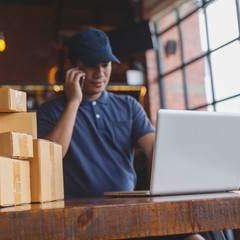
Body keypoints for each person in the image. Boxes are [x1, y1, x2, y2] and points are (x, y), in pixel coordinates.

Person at [36, 28, 204, 240]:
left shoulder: (129, 106)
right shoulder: (50, 111)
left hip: (129, 213)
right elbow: (49, 159)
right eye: (91, 65)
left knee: (194, 238)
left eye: (105, 65)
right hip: (78, 220)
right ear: (73, 67)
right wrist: (73, 102)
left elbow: (156, 150)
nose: (100, 73)